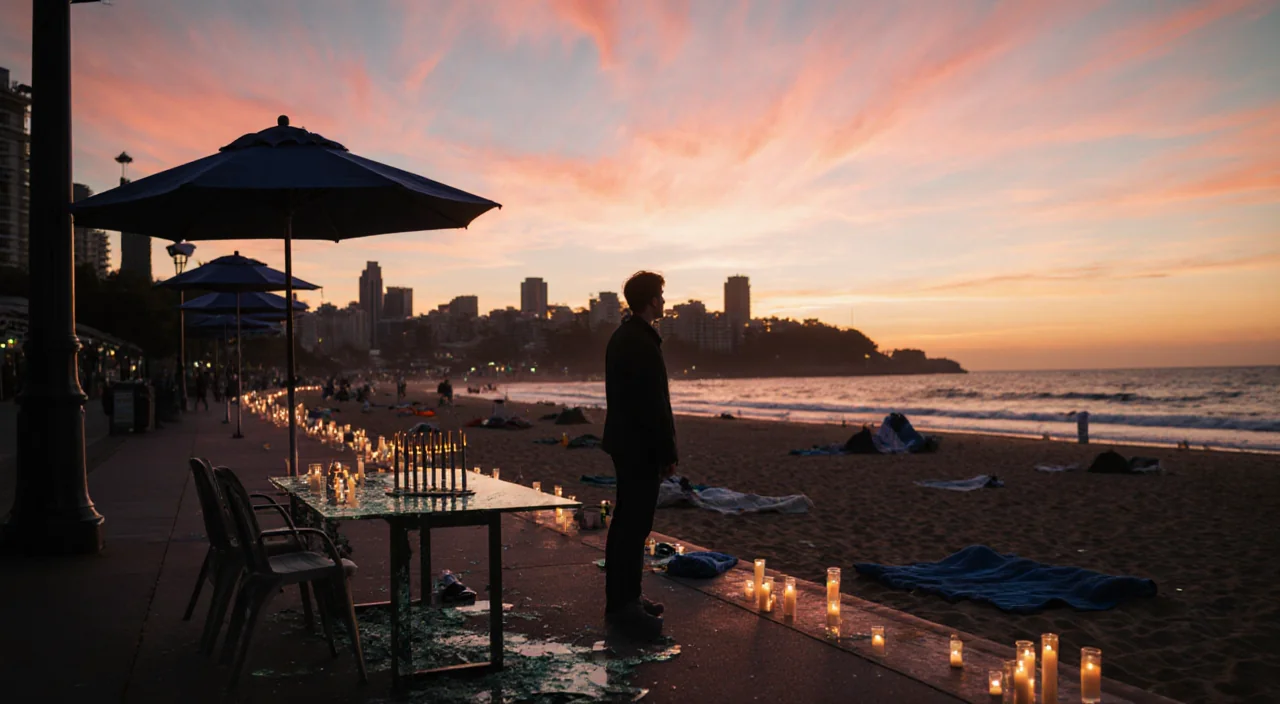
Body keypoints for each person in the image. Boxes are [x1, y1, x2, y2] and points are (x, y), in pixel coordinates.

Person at [602, 271, 676, 639]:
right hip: (639, 445)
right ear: (650, 300)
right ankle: (624, 606)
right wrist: (667, 450)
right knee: (633, 525)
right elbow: (653, 404)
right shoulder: (640, 341)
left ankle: (626, 598)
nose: (664, 301)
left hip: (626, 441)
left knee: (627, 523)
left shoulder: (625, 337)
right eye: (660, 295)